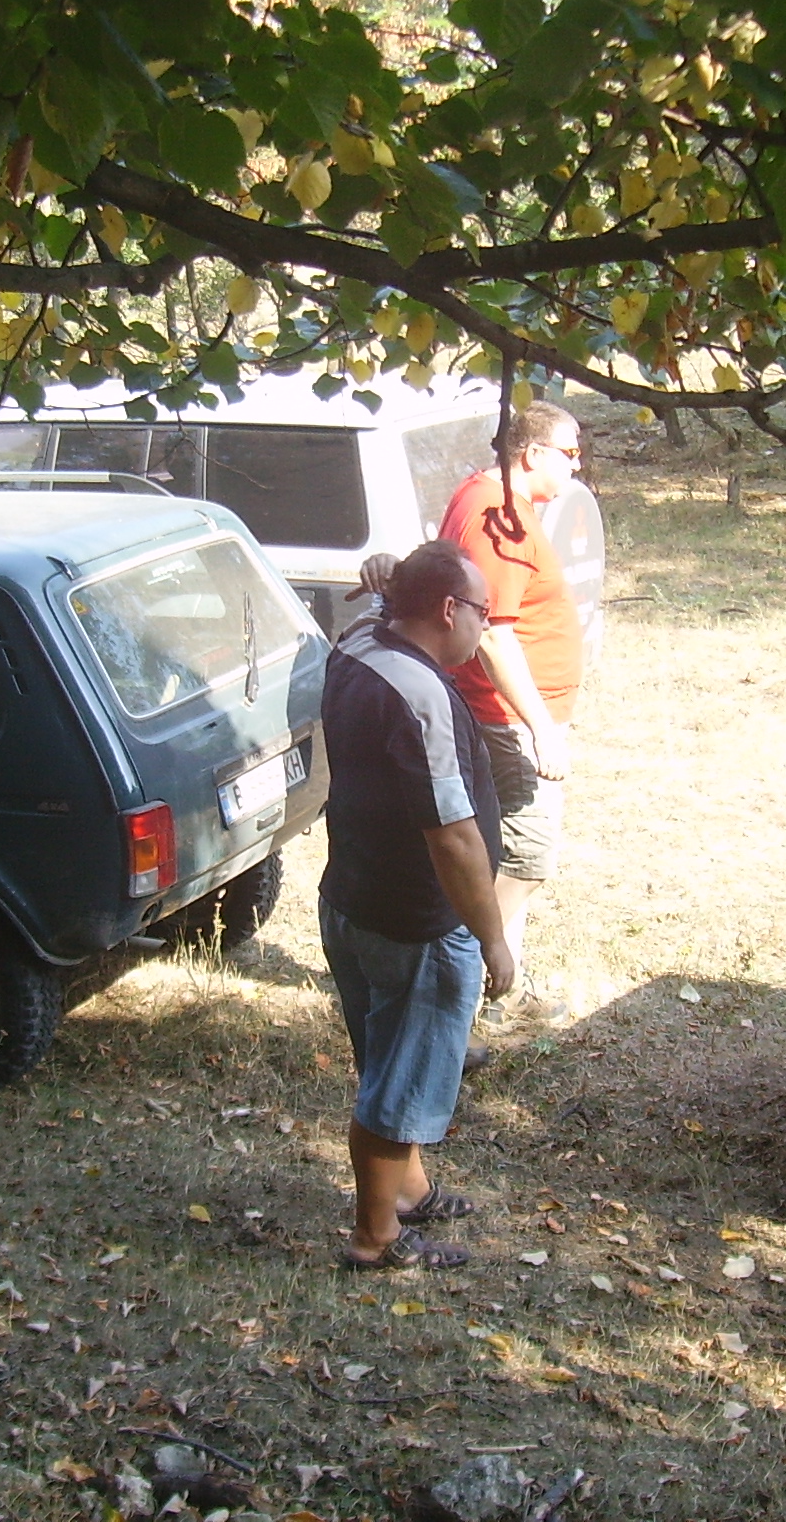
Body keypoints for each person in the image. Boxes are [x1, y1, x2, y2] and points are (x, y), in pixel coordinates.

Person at [320, 540, 518, 1270]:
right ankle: (377, 1239)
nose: (485, 627)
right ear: (448, 610)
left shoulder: (357, 646)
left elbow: (389, 600)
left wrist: (387, 573)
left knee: (385, 1058)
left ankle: (408, 1191)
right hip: (416, 921)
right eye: (483, 613)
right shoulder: (421, 693)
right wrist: (492, 937)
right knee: (398, 1083)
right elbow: (453, 836)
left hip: (351, 898)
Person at [359, 402, 585, 974]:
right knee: (527, 855)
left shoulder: (492, 499)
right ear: (533, 454)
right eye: (570, 452)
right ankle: (469, 965)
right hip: (506, 717)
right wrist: (541, 729)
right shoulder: (496, 517)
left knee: (504, 851)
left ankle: (502, 988)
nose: (578, 464)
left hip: (512, 714)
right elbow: (492, 634)